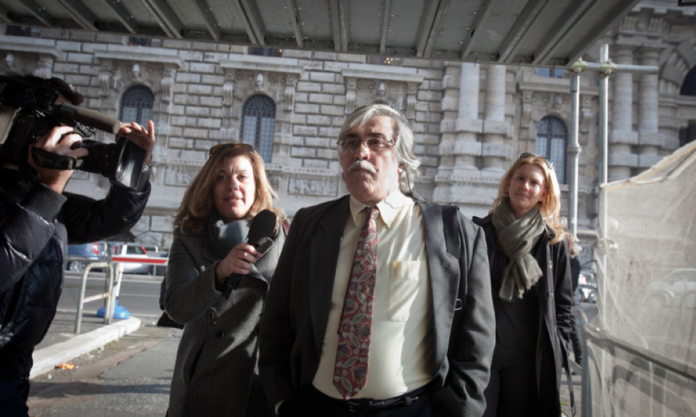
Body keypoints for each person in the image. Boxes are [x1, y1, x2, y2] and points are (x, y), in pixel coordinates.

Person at [259, 103, 495, 417]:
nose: (361, 152)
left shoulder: (453, 232)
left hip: (411, 410)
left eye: (376, 142)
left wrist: (460, 410)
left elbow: (476, 337)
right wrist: (282, 402)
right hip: (316, 407)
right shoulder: (309, 225)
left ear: (401, 161)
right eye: (351, 142)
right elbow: (276, 322)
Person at [0, 75, 155, 416]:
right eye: (52, 126)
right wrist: (49, 189)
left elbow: (111, 219)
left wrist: (136, 165)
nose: (64, 139)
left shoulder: (41, 194)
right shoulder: (39, 194)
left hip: (14, 367)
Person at [165, 142, 286, 417]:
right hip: (204, 380)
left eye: (242, 177)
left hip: (260, 380)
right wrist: (220, 271)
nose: (233, 185)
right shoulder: (189, 236)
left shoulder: (279, 234)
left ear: (257, 186)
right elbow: (177, 307)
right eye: (222, 177)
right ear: (210, 185)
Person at [472, 152, 573, 417]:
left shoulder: (553, 243)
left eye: (534, 182)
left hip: (528, 362)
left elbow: (563, 307)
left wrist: (558, 349)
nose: (524, 186)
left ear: (543, 194)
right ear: (508, 183)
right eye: (519, 178)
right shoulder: (479, 232)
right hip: (482, 357)